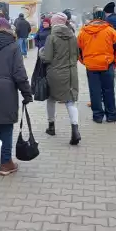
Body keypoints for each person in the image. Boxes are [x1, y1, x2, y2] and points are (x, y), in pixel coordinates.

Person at [0, 17, 33, 175]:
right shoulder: (13, 46)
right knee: (6, 127)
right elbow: (19, 72)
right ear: (9, 29)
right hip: (6, 91)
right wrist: (26, 92)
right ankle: (5, 163)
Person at [41, 12, 80, 144]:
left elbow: (47, 58)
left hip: (55, 73)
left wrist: (41, 52)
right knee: (70, 102)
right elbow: (77, 55)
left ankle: (51, 126)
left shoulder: (51, 37)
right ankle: (75, 130)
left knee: (51, 99)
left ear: (54, 23)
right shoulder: (73, 36)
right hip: (71, 73)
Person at [78, 9, 116, 124]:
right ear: (104, 18)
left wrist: (85, 61)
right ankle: (111, 115)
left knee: (94, 91)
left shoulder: (83, 31)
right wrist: (114, 62)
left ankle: (97, 116)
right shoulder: (110, 30)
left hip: (91, 66)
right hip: (107, 65)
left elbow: (78, 50)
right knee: (108, 90)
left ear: (93, 18)